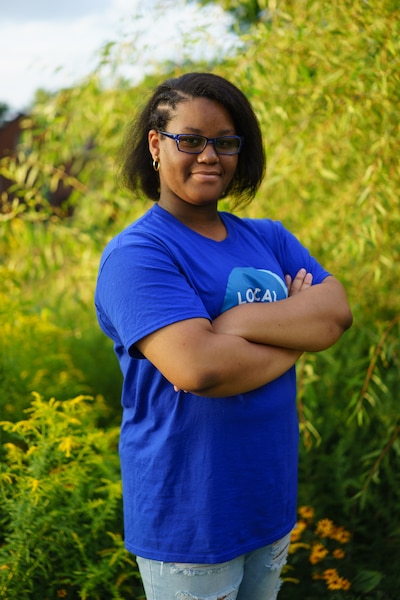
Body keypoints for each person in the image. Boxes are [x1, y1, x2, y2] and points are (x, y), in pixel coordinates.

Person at [94, 72, 352, 600]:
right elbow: (199, 368)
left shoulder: (268, 237)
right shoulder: (139, 255)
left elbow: (335, 315)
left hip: (266, 498)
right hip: (190, 515)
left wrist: (233, 326)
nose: (209, 155)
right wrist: (293, 324)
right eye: (190, 140)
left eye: (225, 142)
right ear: (155, 145)